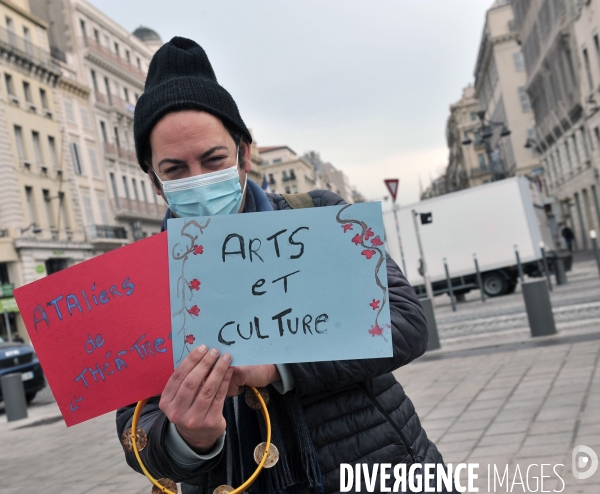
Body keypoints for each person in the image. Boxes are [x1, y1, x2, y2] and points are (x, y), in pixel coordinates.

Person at [116, 37, 455, 494]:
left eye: (213, 159)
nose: (198, 180)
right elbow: (136, 434)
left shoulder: (317, 216)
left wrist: (279, 365)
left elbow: (407, 322)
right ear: (155, 181)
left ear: (244, 153)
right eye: (175, 169)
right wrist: (187, 439)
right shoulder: (138, 284)